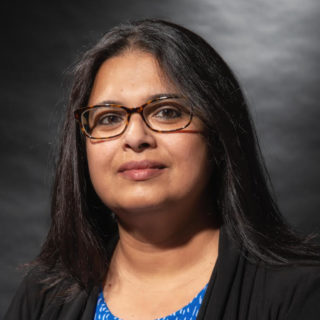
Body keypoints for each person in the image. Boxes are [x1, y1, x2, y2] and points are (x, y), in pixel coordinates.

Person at [4, 19, 320, 320]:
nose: (136, 138)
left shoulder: (300, 292)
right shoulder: (44, 296)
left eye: (167, 111)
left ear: (217, 133)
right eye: (109, 118)